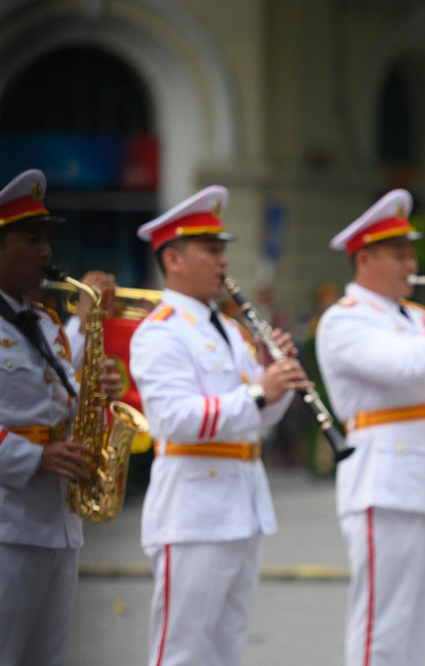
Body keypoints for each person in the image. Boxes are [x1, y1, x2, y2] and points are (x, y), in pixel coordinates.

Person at [316, 189, 425, 666]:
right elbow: (411, 364)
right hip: (383, 482)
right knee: (382, 625)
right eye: (398, 254)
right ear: (364, 259)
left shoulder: (417, 316)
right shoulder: (344, 320)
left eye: (410, 252)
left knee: (414, 621)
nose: (410, 263)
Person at [130, 186, 308, 666]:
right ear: (173, 259)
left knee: (226, 651)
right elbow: (174, 419)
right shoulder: (161, 331)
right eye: (210, 250)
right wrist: (259, 392)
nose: (223, 261)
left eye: (222, 249)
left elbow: (254, 420)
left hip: (242, 506)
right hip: (192, 513)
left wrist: (279, 383)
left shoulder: (231, 330)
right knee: (182, 652)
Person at [0, 169, 121, 665]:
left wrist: (93, 393)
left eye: (46, 240)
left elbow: (56, 405)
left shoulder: (44, 322)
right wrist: (35, 458)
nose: (45, 252)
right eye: (31, 240)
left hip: (58, 522)